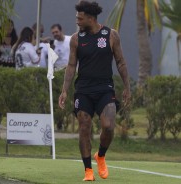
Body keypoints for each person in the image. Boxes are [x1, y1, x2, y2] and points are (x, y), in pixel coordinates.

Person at [58, 1, 131, 181]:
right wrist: (64, 90)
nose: (77, 21)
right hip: (83, 90)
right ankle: (88, 171)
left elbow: (121, 62)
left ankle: (101, 155)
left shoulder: (111, 35)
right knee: (84, 127)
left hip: (105, 89)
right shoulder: (76, 38)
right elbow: (71, 65)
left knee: (108, 126)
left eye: (80, 18)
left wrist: (127, 87)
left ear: (90, 18)